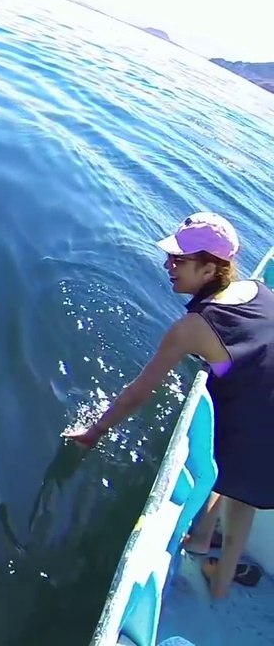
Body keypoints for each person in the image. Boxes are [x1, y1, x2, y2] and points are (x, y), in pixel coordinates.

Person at [62, 211, 274, 600]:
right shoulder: (260, 292)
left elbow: (138, 392)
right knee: (243, 496)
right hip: (265, 444)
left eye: (179, 260)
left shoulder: (193, 328)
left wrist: (93, 432)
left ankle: (215, 570)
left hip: (255, 448)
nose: (168, 266)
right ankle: (216, 569)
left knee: (234, 475)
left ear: (210, 268)